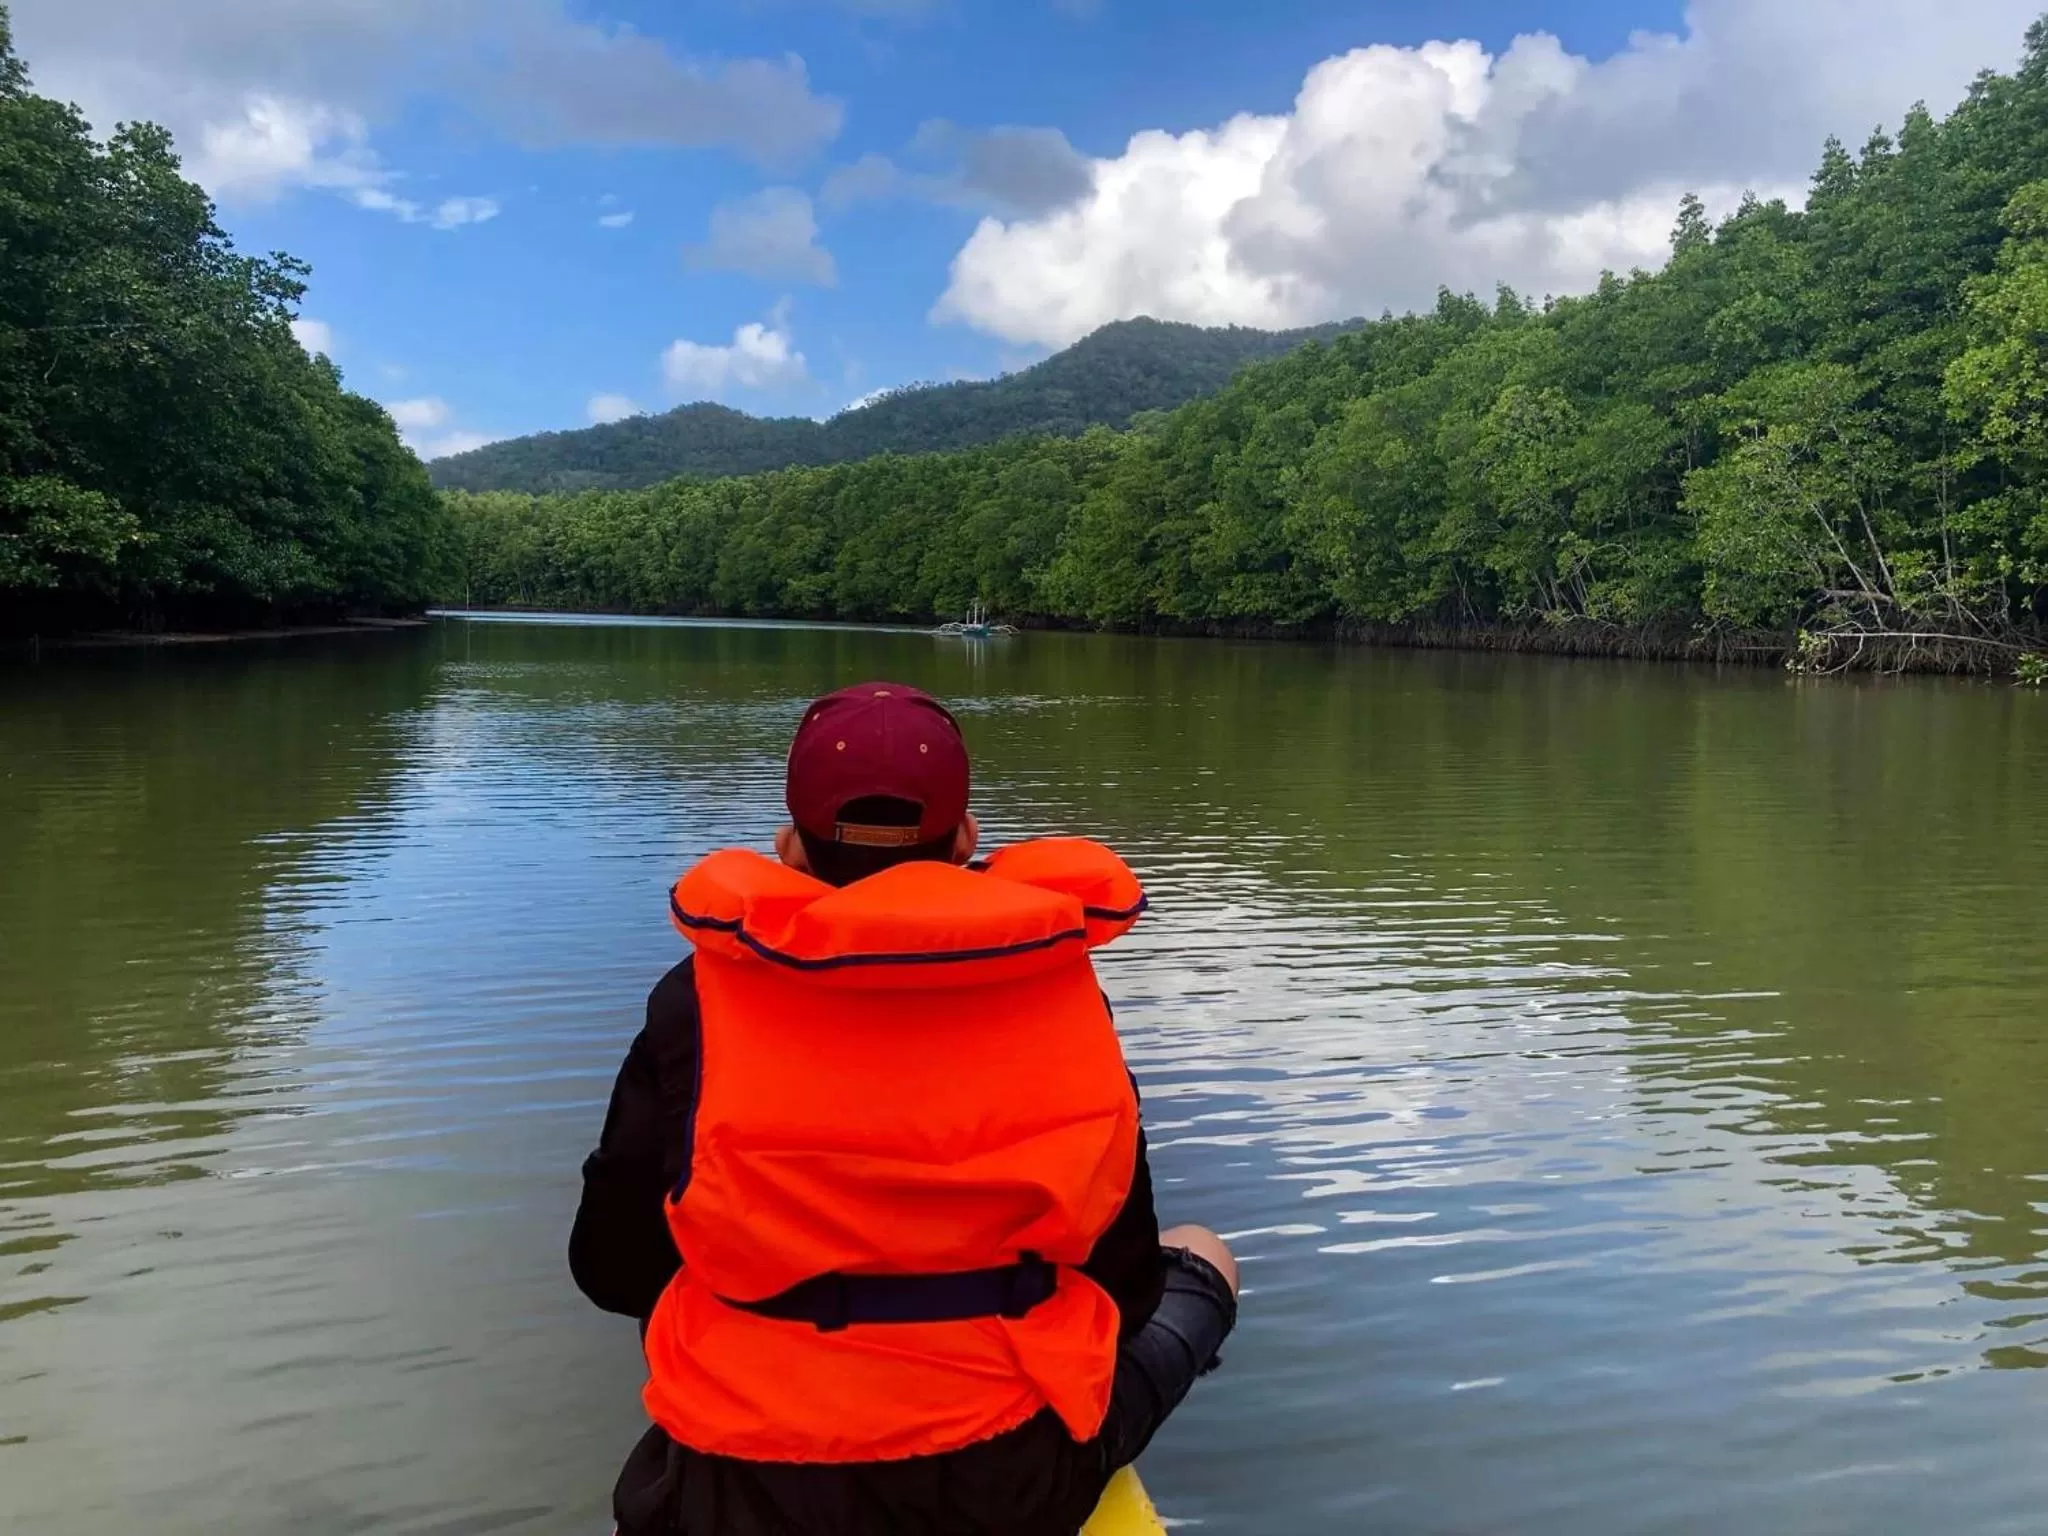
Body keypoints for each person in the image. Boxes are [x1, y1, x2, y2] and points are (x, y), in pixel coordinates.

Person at [570, 681, 1238, 1536]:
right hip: (1007, 1478)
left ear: (788, 849)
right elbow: (1128, 1281)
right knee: (1205, 1255)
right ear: (966, 839)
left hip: (742, 1489)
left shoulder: (693, 1002)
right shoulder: (1064, 996)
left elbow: (612, 1268)